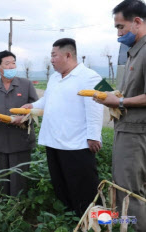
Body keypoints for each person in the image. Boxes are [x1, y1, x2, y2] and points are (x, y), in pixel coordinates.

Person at [22, 38, 104, 216]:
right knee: (61, 183)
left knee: (82, 186)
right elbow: (47, 100)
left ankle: (91, 220)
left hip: (77, 143)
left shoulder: (90, 76)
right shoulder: (54, 78)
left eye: (54, 55)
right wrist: (33, 106)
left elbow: (96, 108)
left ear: (68, 55)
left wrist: (94, 135)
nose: (51, 59)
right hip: (54, 141)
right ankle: (69, 217)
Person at [93, 1, 146, 230]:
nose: (118, 33)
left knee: (129, 195)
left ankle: (133, 227)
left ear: (137, 21)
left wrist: (120, 101)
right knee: (128, 191)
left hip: (136, 134)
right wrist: (112, 97)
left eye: (120, 27)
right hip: (127, 131)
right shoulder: (134, 53)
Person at [0, 50, 38, 196]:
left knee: (20, 180)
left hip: (21, 140)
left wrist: (23, 118)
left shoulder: (26, 85)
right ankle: (5, 205)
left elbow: (36, 108)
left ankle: (19, 206)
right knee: (4, 179)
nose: (12, 67)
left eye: (13, 63)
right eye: (7, 64)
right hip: (1, 140)